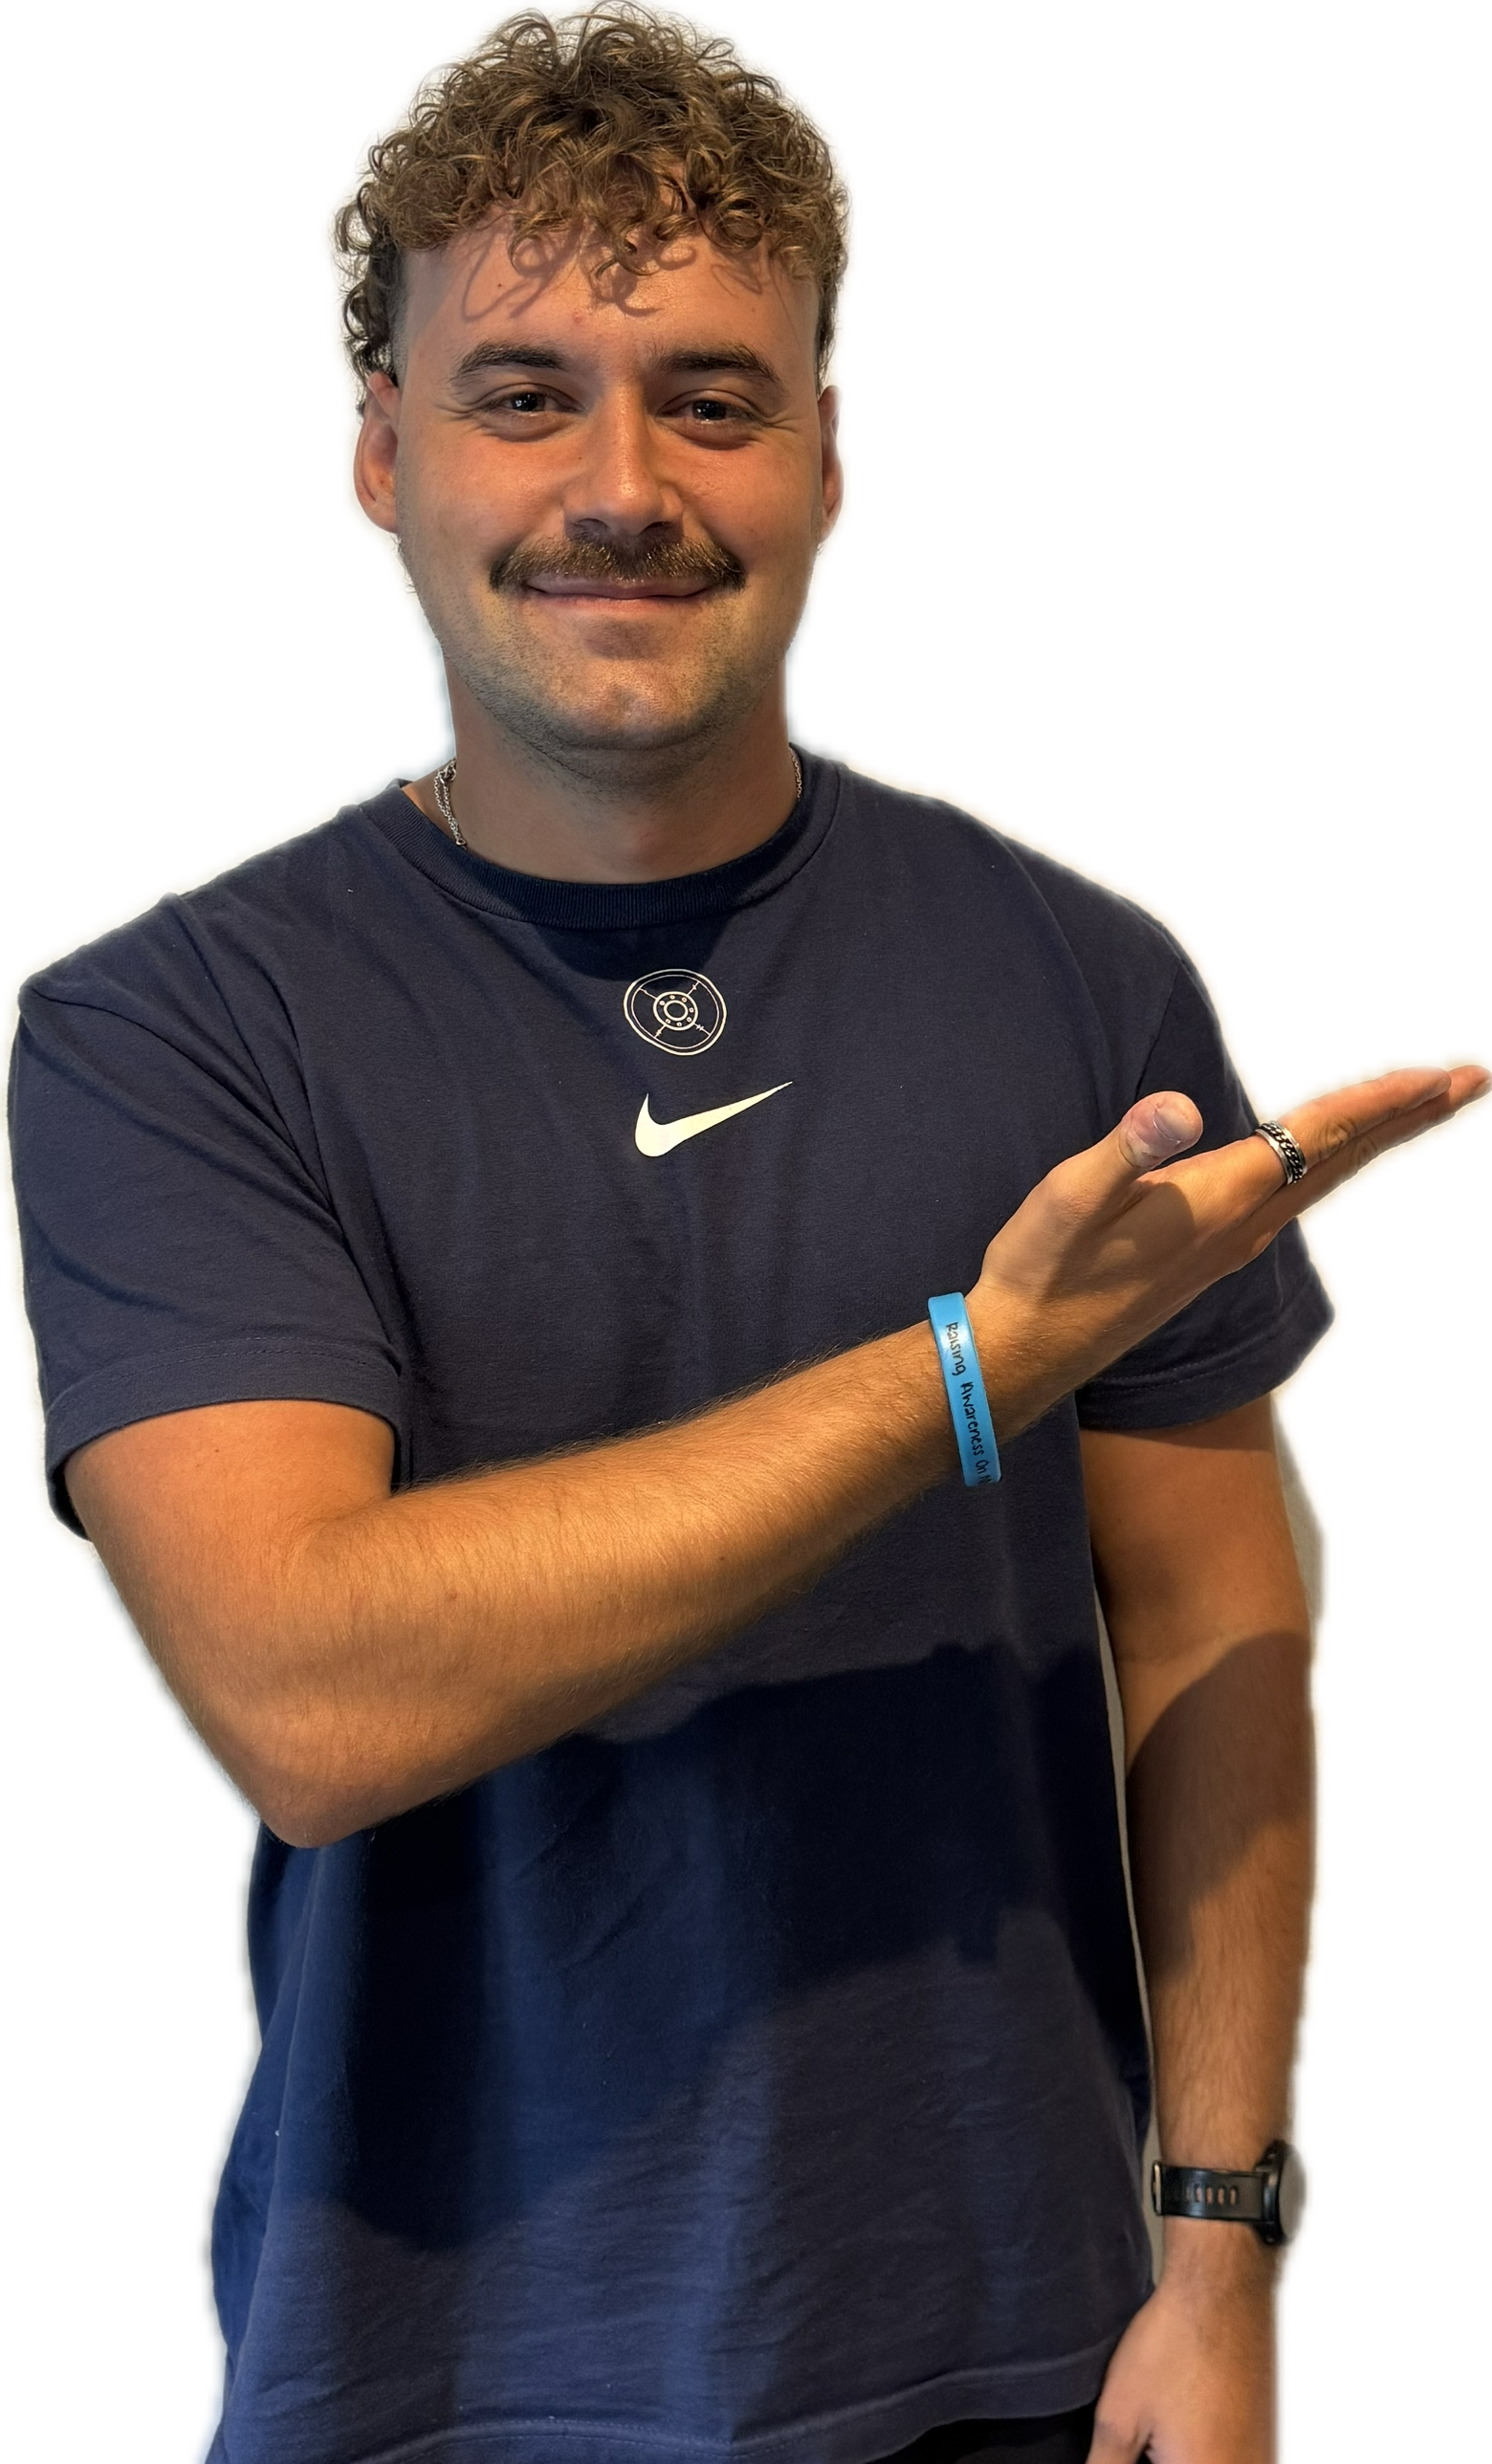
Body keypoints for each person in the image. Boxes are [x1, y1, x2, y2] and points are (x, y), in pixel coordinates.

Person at [5, 10, 1485, 2463]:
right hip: (439, 2379)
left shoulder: (1079, 969)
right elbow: (310, 1695)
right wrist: (968, 1370)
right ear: (376, 451)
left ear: (831, 451)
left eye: (711, 396)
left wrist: (1225, 2239)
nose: (622, 485)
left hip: (1036, 2352)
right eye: (522, 394)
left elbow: (1219, 1618)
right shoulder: (173, 1027)